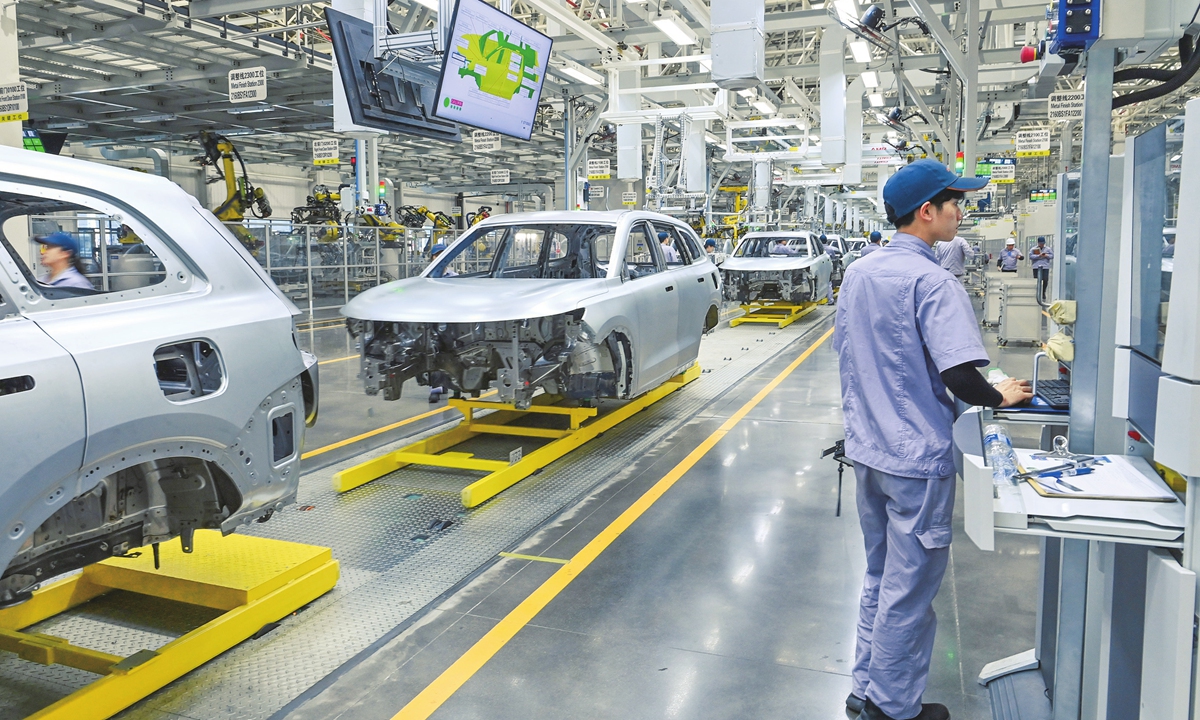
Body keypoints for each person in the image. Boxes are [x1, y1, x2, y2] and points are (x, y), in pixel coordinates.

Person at [836, 159, 1032, 720]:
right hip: (915, 461)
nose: (962, 212)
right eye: (955, 203)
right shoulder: (932, 281)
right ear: (927, 212)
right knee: (911, 590)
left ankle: (863, 687)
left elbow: (850, 357)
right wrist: (1001, 397)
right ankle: (893, 708)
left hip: (867, 452)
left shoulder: (858, 273)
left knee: (879, 575)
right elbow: (962, 377)